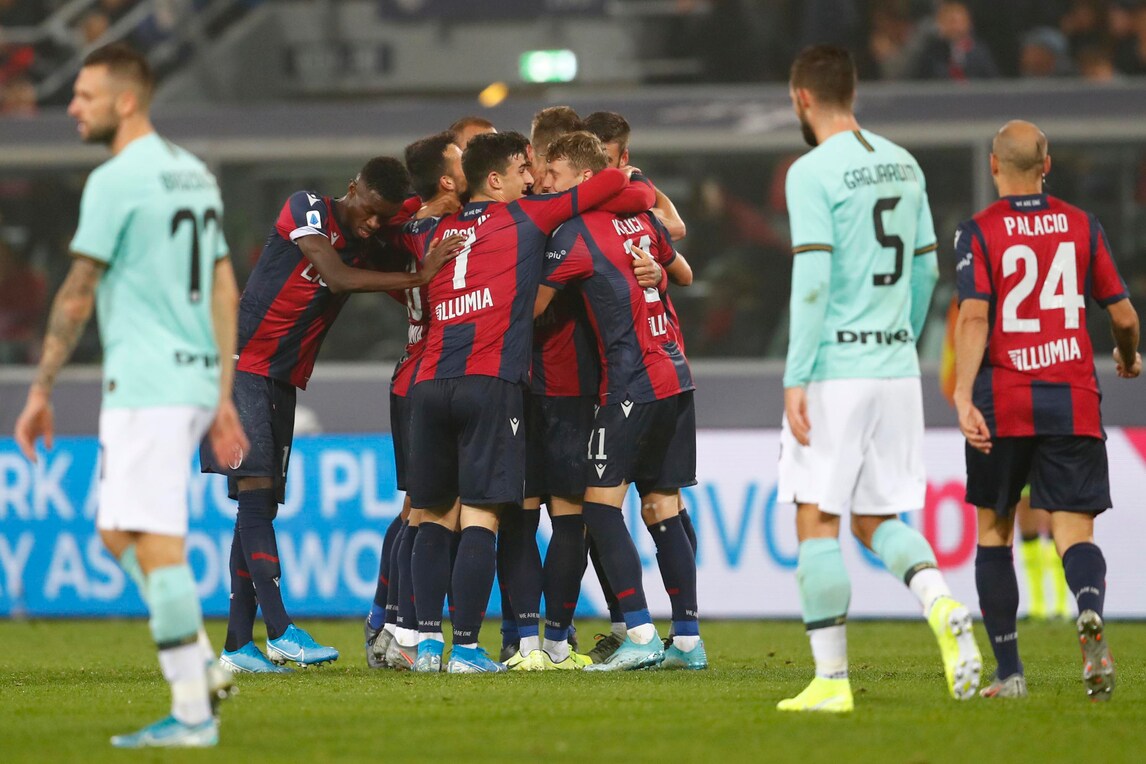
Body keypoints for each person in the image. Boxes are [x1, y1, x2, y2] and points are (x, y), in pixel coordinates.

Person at [12, 43, 247, 748]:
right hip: (190, 380)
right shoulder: (192, 172)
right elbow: (224, 288)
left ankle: (192, 714)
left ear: (125, 100)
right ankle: (202, 664)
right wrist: (222, 395)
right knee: (116, 532)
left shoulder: (116, 180)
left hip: (148, 386)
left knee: (156, 542)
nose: (72, 106)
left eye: (84, 95)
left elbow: (77, 293)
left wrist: (40, 389)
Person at [777, 44, 980, 713]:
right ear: (853, 91)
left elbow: (813, 277)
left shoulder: (811, 171)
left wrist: (797, 375)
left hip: (835, 370)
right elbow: (926, 270)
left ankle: (831, 682)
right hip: (895, 369)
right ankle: (940, 601)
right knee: (874, 519)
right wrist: (900, 337)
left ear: (802, 98)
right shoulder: (904, 162)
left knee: (817, 517)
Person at [201, 155, 462, 673]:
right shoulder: (308, 208)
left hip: (280, 378)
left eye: (381, 217)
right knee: (255, 501)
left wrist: (447, 198)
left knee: (259, 506)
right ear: (352, 188)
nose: (372, 223)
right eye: (368, 211)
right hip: (240, 365)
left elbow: (418, 206)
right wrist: (420, 273)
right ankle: (281, 632)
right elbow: (337, 277)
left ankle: (237, 646)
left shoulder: (371, 235)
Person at [395, 131, 633, 674]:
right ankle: (467, 650)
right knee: (481, 517)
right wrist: (627, 178)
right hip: (489, 382)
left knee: (433, 517)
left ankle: (426, 646)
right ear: (495, 180)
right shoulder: (526, 217)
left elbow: (408, 219)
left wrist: (437, 202)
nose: (532, 179)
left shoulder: (433, 229)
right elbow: (612, 182)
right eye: (522, 170)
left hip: (428, 383)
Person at [952, 120, 1140, 701]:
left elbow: (974, 316)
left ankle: (1010, 673)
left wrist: (962, 393)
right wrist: (1127, 355)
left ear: (993, 165)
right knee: (1073, 531)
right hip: (1072, 398)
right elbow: (1124, 316)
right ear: (1047, 165)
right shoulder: (1083, 225)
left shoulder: (978, 231)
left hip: (1003, 401)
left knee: (994, 531)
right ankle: (1088, 609)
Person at [536, 131, 702, 672]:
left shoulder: (576, 232)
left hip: (632, 381)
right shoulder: (641, 217)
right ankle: (687, 641)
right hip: (676, 373)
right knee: (662, 505)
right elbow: (684, 273)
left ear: (584, 178)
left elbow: (531, 309)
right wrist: (654, 273)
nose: (545, 183)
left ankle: (640, 632)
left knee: (598, 507)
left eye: (554, 175)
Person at [367, 130, 470, 670]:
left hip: (409, 372)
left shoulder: (406, 229)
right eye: (461, 156)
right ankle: (402, 629)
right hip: (436, 373)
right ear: (447, 179)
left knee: (417, 509)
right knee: (432, 512)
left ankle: (389, 625)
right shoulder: (449, 231)